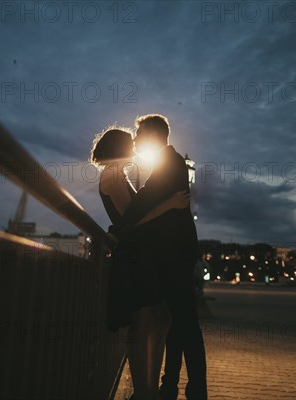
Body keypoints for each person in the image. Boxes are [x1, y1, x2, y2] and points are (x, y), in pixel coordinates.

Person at [112, 114, 208, 400]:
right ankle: (173, 387)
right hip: (175, 255)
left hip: (173, 257)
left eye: (139, 134)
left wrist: (129, 225)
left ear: (152, 136)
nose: (137, 139)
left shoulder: (170, 164)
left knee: (186, 324)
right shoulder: (169, 163)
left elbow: (139, 207)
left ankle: (195, 391)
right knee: (180, 323)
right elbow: (147, 202)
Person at [90, 127, 189, 400]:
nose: (135, 149)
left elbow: (133, 218)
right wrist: (169, 204)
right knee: (146, 321)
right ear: (119, 148)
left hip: (139, 255)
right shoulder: (111, 176)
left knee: (157, 318)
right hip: (135, 257)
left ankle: (146, 389)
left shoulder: (117, 175)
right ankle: (145, 392)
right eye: (130, 145)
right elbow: (132, 221)